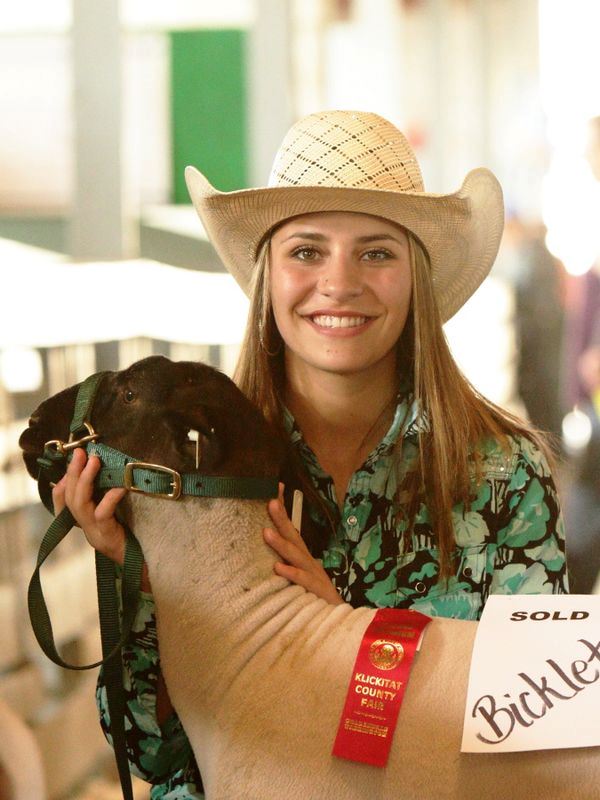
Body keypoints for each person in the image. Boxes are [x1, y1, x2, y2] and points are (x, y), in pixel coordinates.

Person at [54, 110, 568, 799]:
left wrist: (342, 641)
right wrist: (133, 578)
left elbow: (543, 734)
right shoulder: (184, 469)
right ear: (269, 276)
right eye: (306, 251)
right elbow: (153, 752)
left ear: (415, 275)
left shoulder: (505, 474)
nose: (340, 282)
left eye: (377, 252)